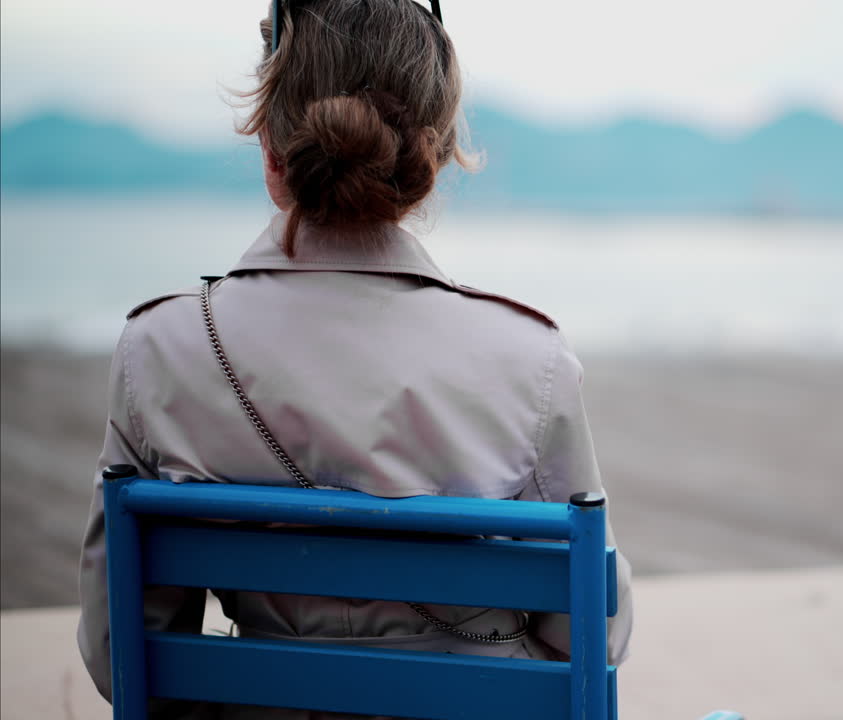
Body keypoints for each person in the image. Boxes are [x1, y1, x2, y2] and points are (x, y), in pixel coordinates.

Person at [77, 0, 633, 715]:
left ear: (273, 149)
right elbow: (596, 634)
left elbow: (120, 653)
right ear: (429, 158)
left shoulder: (158, 350)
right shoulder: (530, 358)